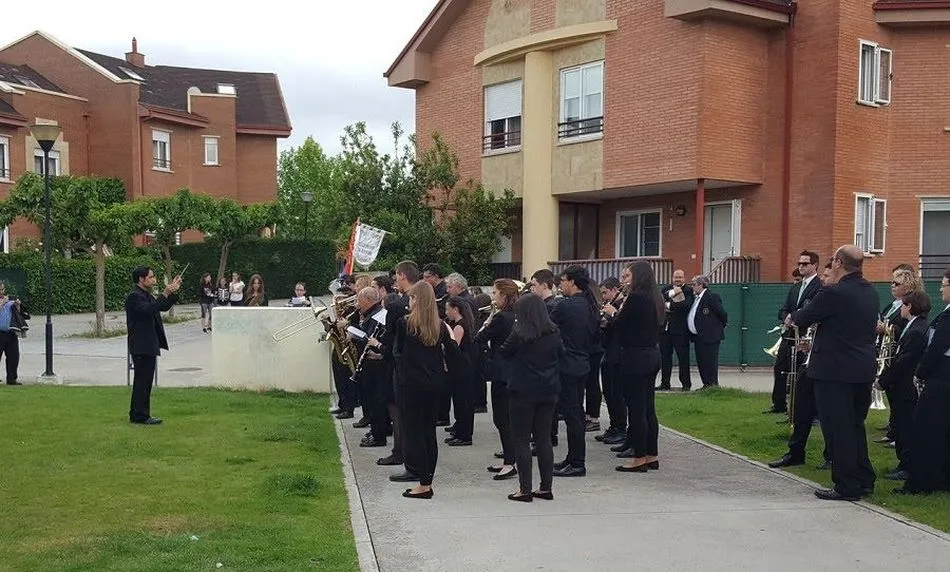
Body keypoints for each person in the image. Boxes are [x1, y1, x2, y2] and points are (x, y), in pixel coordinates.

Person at [792, 245, 879, 501]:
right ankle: (864, 478)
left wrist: (798, 315)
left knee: (837, 429)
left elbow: (803, 316)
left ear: (839, 263)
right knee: (854, 426)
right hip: (861, 368)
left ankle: (846, 485)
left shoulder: (834, 293)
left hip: (834, 371)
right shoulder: (870, 291)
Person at [393, 281, 462, 499]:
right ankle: (427, 481)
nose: (409, 301)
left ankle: (423, 484)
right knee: (429, 434)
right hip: (434, 385)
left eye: (412, 298)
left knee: (414, 434)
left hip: (411, 386)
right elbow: (454, 355)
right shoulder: (440, 326)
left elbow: (397, 354)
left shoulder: (405, 323)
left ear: (417, 300)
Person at [768, 261, 834, 470]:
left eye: (827, 274)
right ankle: (795, 452)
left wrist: (798, 318)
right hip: (811, 358)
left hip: (829, 363)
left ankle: (831, 456)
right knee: (801, 408)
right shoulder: (807, 289)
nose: (823, 278)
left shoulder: (833, 295)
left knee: (828, 414)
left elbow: (808, 317)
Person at [500, 293, 562, 502]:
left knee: (521, 440)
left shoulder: (520, 333)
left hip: (523, 390)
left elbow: (504, 352)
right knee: (543, 438)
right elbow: (560, 354)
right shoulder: (554, 332)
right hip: (548, 389)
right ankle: (546, 487)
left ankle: (525, 489)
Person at [603, 261, 664, 472]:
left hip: (635, 357)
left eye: (628, 277)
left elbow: (622, 326)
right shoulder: (655, 296)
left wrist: (612, 312)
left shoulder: (636, 298)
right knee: (648, 409)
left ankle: (639, 457)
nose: (624, 281)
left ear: (638, 277)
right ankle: (651, 454)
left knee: (637, 411)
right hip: (651, 355)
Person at [897, 270, 950, 495]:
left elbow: (936, 347)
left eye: (944, 284)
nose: (940, 289)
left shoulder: (948, 318)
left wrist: (921, 372)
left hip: (941, 378)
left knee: (926, 431)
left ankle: (921, 481)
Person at [368, 261, 418, 475]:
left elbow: (391, 341)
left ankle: (400, 451)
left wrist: (378, 347)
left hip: (397, 364)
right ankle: (408, 452)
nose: (395, 280)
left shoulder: (397, 306)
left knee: (396, 409)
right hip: (417, 365)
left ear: (402, 276)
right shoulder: (424, 301)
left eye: (396, 276)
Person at [876, 290, 930, 481]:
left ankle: (907, 466)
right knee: (900, 425)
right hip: (900, 385)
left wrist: (884, 380)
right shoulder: (911, 326)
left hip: (905, 386)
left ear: (910, 307)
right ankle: (903, 463)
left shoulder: (917, 329)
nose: (901, 309)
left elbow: (904, 360)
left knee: (905, 427)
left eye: (904, 305)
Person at [550, 265, 598, 478]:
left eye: (563, 280)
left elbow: (548, 327)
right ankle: (572, 458)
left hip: (567, 364)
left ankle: (577, 463)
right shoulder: (590, 304)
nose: (561, 284)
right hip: (582, 363)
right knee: (575, 413)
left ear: (572, 282)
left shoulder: (566, 306)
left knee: (572, 416)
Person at [126, 266, 181, 425]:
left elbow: (161, 306)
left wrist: (171, 293)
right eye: (150, 277)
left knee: (145, 380)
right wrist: (165, 293)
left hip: (149, 343)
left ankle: (139, 414)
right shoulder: (134, 297)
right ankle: (140, 415)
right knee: (142, 380)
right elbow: (150, 309)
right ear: (141, 279)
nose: (153, 279)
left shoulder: (146, 295)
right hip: (141, 344)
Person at [767, 251, 821, 414]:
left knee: (801, 372)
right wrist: (786, 317)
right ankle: (779, 404)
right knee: (780, 367)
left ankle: (802, 408)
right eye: (799, 263)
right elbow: (784, 308)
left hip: (805, 334)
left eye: (805, 263)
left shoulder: (819, 286)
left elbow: (811, 309)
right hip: (790, 333)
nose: (801, 266)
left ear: (815, 265)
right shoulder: (796, 287)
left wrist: (794, 316)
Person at [476, 279, 519, 480]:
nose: (493, 297)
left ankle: (510, 462)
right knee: (507, 418)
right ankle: (508, 459)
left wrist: (487, 322)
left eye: (495, 293)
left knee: (502, 418)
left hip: (502, 373)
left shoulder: (501, 318)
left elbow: (480, 337)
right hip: (511, 371)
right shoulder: (515, 315)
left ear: (504, 296)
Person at [444, 297, 478, 446]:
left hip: (461, 369)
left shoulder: (459, 326)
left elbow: (454, 348)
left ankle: (464, 435)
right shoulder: (466, 323)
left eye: (447, 309)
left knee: (462, 402)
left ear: (455, 309)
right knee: (462, 402)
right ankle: (460, 431)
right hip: (465, 368)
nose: (446, 312)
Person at [597, 277, 626, 444]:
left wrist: (612, 315)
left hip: (618, 354)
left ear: (615, 290)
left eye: (605, 292)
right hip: (607, 352)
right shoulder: (612, 305)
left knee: (617, 394)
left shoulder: (622, 304)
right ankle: (614, 425)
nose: (604, 296)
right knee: (608, 392)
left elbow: (622, 326)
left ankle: (621, 428)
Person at [686, 276, 727, 388]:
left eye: (694, 284)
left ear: (701, 285)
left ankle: (713, 384)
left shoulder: (711, 297)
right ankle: (706, 384)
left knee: (710, 361)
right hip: (699, 336)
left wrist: (718, 327)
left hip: (710, 336)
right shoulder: (696, 298)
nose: (692, 287)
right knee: (701, 361)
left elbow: (722, 313)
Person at [658, 269, 694, 391]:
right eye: (675, 277)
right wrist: (673, 293)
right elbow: (659, 301)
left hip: (680, 331)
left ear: (684, 278)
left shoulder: (688, 290)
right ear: (672, 278)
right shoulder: (665, 289)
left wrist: (668, 305)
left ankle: (686, 384)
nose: (677, 279)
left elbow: (685, 306)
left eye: (680, 277)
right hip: (665, 330)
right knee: (665, 358)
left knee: (683, 358)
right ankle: (665, 384)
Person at [0, 282, 23, 385]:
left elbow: (18, 314)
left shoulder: (8, 301)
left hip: (11, 332)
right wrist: (2, 303)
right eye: (0, 290)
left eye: (2, 289)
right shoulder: (4, 301)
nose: (1, 292)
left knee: (14, 356)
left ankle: (11, 378)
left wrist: (17, 305)